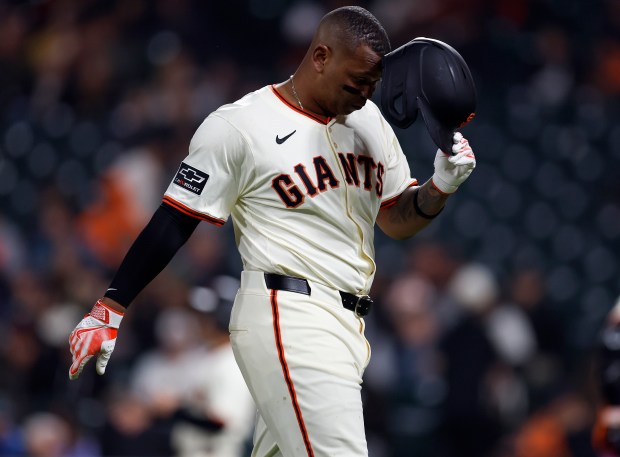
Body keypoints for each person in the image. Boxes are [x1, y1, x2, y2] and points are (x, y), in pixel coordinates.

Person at [68, 6, 476, 456]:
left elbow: (398, 219)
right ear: (320, 56)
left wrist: (440, 186)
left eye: (371, 84)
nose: (364, 94)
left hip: (348, 326)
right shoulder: (240, 125)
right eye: (355, 81)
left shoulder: (370, 123)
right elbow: (173, 219)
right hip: (290, 315)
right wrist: (111, 306)